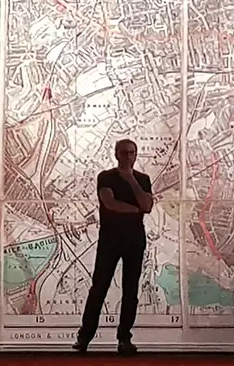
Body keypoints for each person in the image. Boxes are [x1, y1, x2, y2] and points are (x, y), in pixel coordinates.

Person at [74, 138, 154, 355]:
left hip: (134, 240)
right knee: (99, 287)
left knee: (131, 290)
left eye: (132, 153)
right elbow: (110, 204)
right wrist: (135, 209)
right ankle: (85, 337)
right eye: (125, 152)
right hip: (110, 240)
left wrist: (131, 181)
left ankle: (124, 338)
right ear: (116, 154)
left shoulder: (143, 179)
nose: (129, 156)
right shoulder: (106, 177)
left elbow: (147, 205)